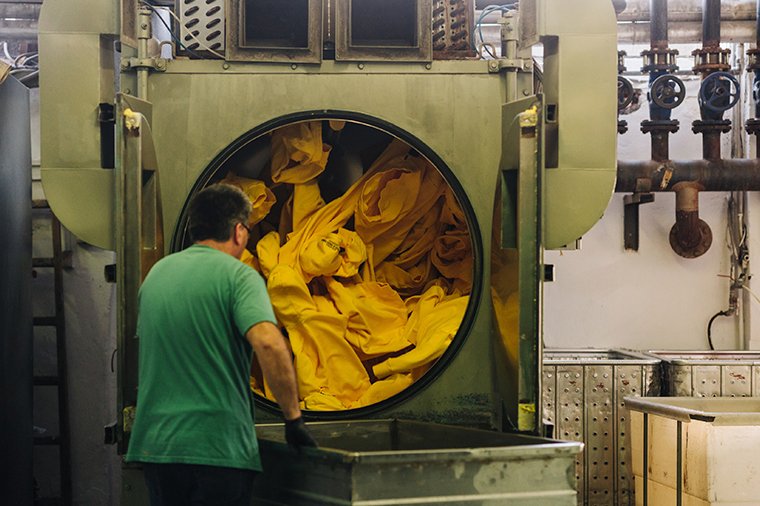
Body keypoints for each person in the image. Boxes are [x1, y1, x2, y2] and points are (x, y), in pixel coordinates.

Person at [125, 183, 317, 506]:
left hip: (157, 447)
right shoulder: (239, 278)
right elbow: (269, 345)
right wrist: (293, 418)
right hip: (216, 447)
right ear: (239, 232)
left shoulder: (156, 275)